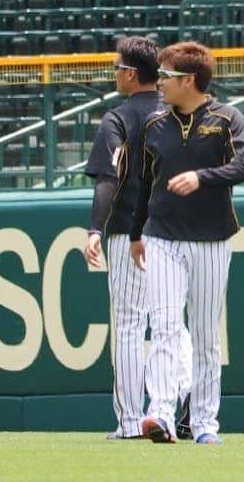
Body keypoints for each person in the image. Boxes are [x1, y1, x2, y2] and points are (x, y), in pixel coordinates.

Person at [130, 41, 244, 444]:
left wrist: (202, 177)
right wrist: (136, 233)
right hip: (161, 236)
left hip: (211, 238)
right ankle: (162, 413)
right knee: (166, 325)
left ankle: (204, 423)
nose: (160, 85)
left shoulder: (227, 118)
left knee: (205, 335)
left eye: (167, 77)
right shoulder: (154, 124)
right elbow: (144, 183)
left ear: (189, 80)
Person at [83, 36, 193, 441]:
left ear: (131, 73)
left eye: (117, 68)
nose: (115, 74)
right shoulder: (179, 113)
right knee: (174, 324)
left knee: (131, 325)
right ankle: (181, 400)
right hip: (179, 234)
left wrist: (95, 227)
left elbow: (108, 180)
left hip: (130, 232)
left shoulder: (119, 118)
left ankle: (132, 421)